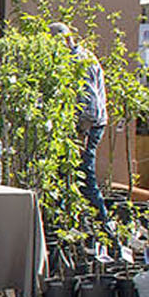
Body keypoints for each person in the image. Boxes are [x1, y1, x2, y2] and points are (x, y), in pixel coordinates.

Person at [53, 23, 112, 228]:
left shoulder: (80, 61)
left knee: (84, 172)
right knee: (65, 172)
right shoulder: (73, 58)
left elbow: (91, 104)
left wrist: (83, 132)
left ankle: (103, 224)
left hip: (88, 125)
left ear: (68, 40)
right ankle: (69, 220)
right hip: (79, 124)